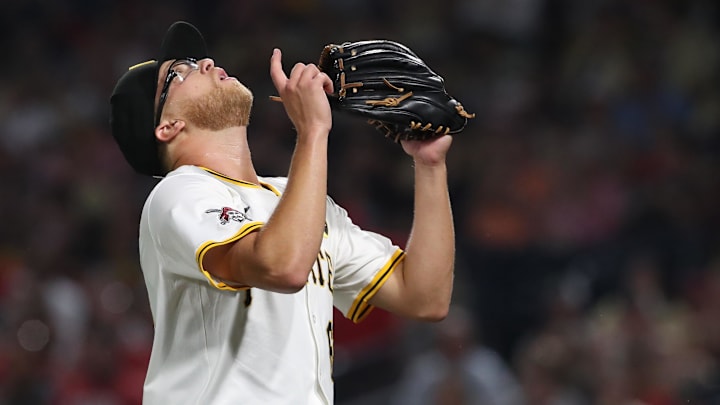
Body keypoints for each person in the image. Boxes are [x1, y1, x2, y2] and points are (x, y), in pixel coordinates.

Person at [109, 21, 456, 404]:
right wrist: (312, 132)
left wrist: (429, 167)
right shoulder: (176, 194)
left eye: (196, 59)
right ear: (168, 126)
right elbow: (282, 267)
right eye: (178, 73)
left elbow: (424, 297)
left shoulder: (296, 199)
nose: (205, 62)